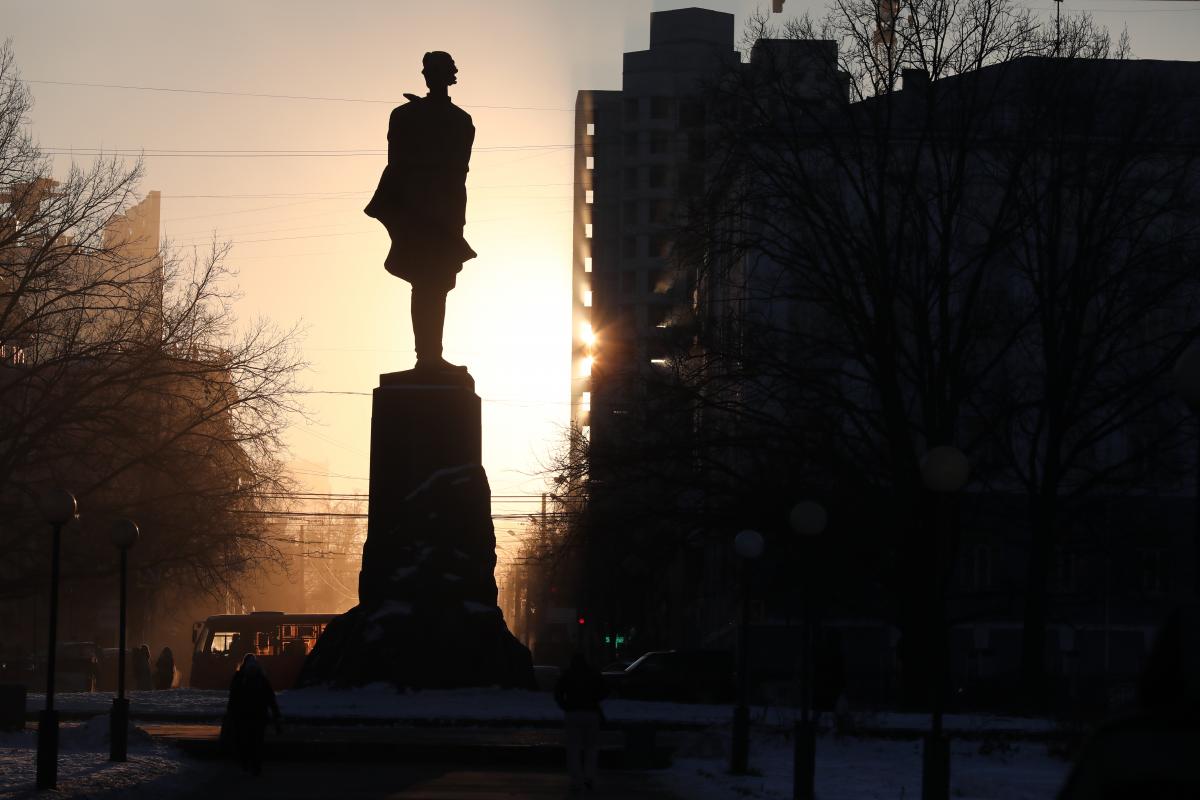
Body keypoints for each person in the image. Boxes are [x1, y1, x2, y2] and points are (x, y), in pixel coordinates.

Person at [364, 50, 476, 374]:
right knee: (427, 282)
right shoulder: (411, 117)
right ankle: (427, 357)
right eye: (428, 70)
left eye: (435, 70)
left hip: (439, 212)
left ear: (446, 76)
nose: (430, 76)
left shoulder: (452, 120)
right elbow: (397, 163)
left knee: (434, 283)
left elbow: (457, 169)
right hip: (421, 212)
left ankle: (429, 356)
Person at [554, 654, 608, 794]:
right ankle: (589, 777)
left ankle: (576, 781)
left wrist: (565, 706)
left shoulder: (567, 675)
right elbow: (604, 691)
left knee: (573, 749)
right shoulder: (593, 674)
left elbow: (558, 693)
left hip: (572, 713)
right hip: (591, 713)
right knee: (591, 747)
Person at [224, 653, 281, 775]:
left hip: (242, 716)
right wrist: (276, 716)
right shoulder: (262, 678)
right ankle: (256, 765)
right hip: (259, 716)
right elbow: (271, 698)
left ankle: (245, 762)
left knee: (243, 740)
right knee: (258, 741)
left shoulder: (239, 677)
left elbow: (233, 698)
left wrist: (230, 714)